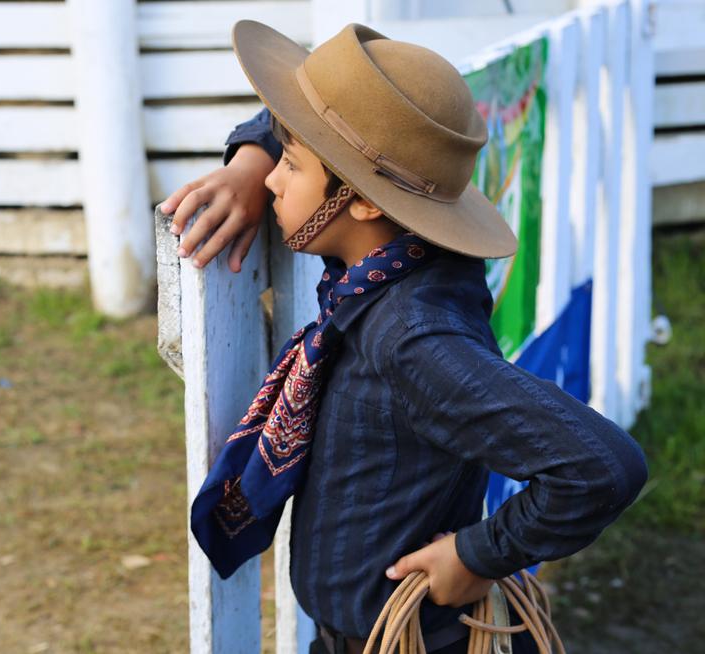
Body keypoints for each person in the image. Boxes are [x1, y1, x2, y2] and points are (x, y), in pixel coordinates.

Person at [171, 20, 649, 654]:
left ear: (363, 202)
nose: (272, 183)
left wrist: (479, 555)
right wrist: (252, 157)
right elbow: (329, 113)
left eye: (289, 164)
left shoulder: (414, 338)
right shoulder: (391, 261)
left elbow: (603, 467)